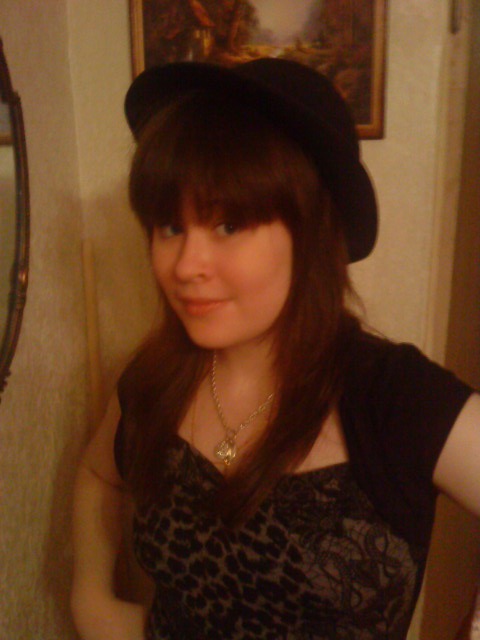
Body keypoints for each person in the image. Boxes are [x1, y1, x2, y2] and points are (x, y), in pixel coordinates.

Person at [71, 58, 480, 640]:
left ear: (311, 236)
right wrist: (90, 598)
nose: (185, 265)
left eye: (228, 225)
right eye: (170, 226)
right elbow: (97, 474)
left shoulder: (394, 397)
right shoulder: (152, 379)